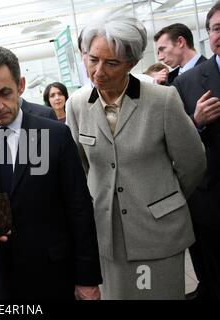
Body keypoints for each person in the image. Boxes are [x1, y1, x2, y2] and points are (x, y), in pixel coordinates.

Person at [67, 15, 206, 299]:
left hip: (159, 232)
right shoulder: (77, 105)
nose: (98, 72)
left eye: (111, 63)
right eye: (93, 60)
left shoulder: (161, 100)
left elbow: (193, 163)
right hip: (108, 235)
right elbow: (79, 168)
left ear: (131, 63)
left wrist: (164, 200)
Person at [0, 46, 102, 300]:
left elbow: (79, 209)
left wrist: (87, 278)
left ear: (20, 85)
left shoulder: (54, 136)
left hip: (55, 273)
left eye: (5, 93)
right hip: (1, 277)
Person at [172, 1, 220, 300]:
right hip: (212, 202)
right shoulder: (187, 82)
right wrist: (196, 122)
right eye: (216, 29)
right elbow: (174, 142)